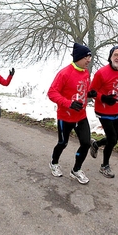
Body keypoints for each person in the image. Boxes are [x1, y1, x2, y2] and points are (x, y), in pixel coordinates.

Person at [47, 43, 92, 184]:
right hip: (65, 117)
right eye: (87, 57)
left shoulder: (85, 72)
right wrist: (69, 103)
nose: (89, 60)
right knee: (63, 143)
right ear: (78, 57)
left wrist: (91, 93)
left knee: (86, 143)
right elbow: (52, 93)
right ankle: (54, 163)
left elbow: (84, 89)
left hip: (81, 116)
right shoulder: (64, 73)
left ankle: (76, 170)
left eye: (90, 57)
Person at [88, 45, 118, 178]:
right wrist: (103, 98)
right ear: (110, 57)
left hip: (117, 110)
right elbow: (91, 92)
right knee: (112, 138)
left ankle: (96, 144)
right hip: (103, 110)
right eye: (116, 55)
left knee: (113, 140)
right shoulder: (101, 72)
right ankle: (104, 166)